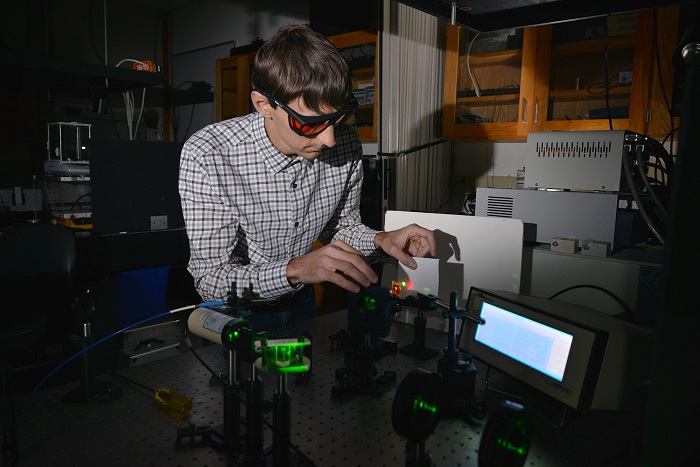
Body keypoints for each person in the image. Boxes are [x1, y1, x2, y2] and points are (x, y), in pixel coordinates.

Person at [179, 23, 436, 331]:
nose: (329, 140)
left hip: (302, 305)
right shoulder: (208, 154)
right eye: (310, 124)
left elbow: (341, 227)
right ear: (264, 104)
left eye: (338, 119)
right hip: (238, 317)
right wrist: (298, 269)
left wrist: (381, 240)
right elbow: (211, 281)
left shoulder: (346, 142)